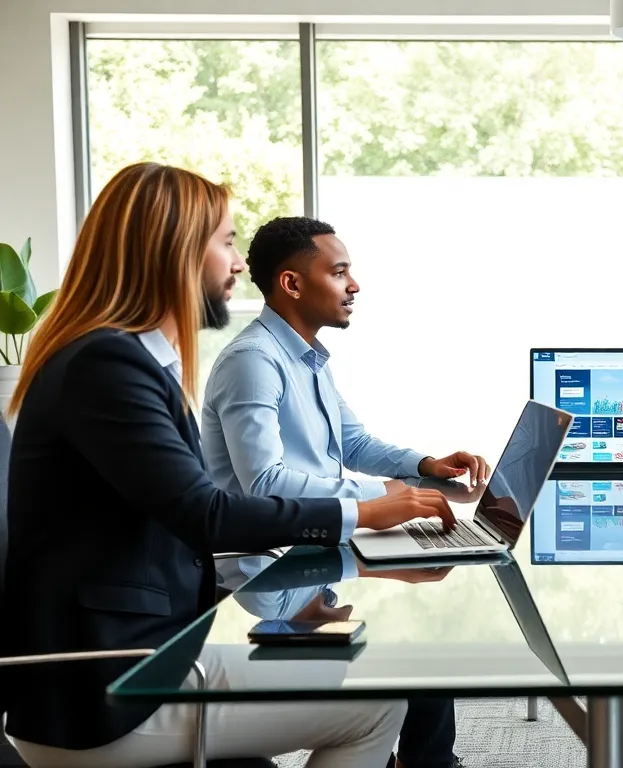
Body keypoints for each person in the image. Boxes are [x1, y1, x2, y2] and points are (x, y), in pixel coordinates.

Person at [0, 162, 455, 768]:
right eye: (226, 242)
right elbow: (204, 512)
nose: (238, 265)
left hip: (142, 654)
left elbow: (166, 524)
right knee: (382, 704)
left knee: (382, 677)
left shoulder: (122, 358)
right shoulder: (106, 367)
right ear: (175, 252)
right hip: (105, 692)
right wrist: (366, 513)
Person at [201, 215, 485, 768]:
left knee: (428, 644)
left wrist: (424, 464)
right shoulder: (253, 363)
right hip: (265, 572)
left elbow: (349, 440)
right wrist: (379, 503)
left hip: (313, 556)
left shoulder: (306, 357)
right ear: (292, 284)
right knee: (417, 654)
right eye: (339, 271)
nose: (354, 284)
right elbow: (265, 484)